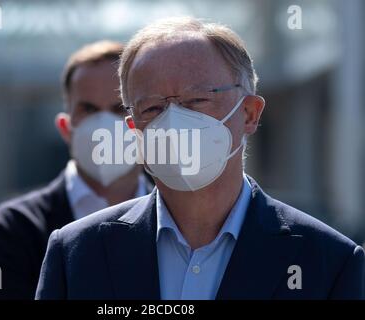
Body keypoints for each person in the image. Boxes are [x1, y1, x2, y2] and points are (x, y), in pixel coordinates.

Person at [36, 18, 364, 300]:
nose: (174, 120)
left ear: (249, 113)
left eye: (196, 100)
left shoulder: (328, 262)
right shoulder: (77, 254)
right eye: (152, 108)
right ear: (134, 130)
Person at [0, 41, 153, 299]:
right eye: (89, 109)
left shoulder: (179, 218)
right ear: (65, 128)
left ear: (144, 122)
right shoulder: (12, 229)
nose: (103, 124)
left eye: (118, 108)